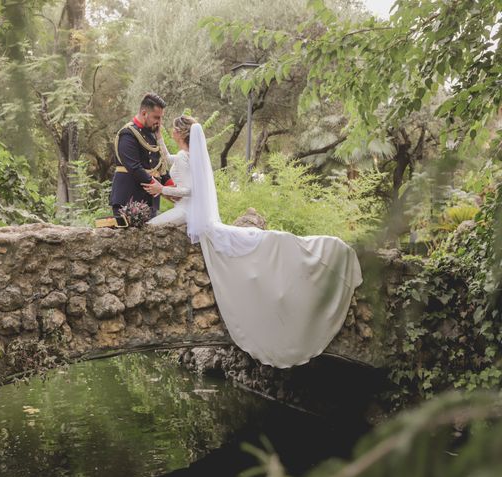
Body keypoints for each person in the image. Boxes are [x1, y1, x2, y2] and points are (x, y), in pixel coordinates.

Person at [143, 119, 363, 368]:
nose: (169, 132)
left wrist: (162, 189)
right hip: (192, 213)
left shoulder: (186, 157)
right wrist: (159, 139)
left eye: (170, 129)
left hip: (187, 212)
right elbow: (171, 160)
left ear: (179, 132)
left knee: (149, 228)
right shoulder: (188, 155)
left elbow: (189, 189)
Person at [109, 92, 173, 220]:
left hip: (150, 200)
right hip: (128, 199)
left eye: (161, 118)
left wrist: (170, 186)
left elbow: (159, 165)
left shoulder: (151, 134)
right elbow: (134, 167)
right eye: (156, 117)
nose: (159, 122)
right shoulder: (128, 134)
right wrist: (159, 188)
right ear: (144, 113)